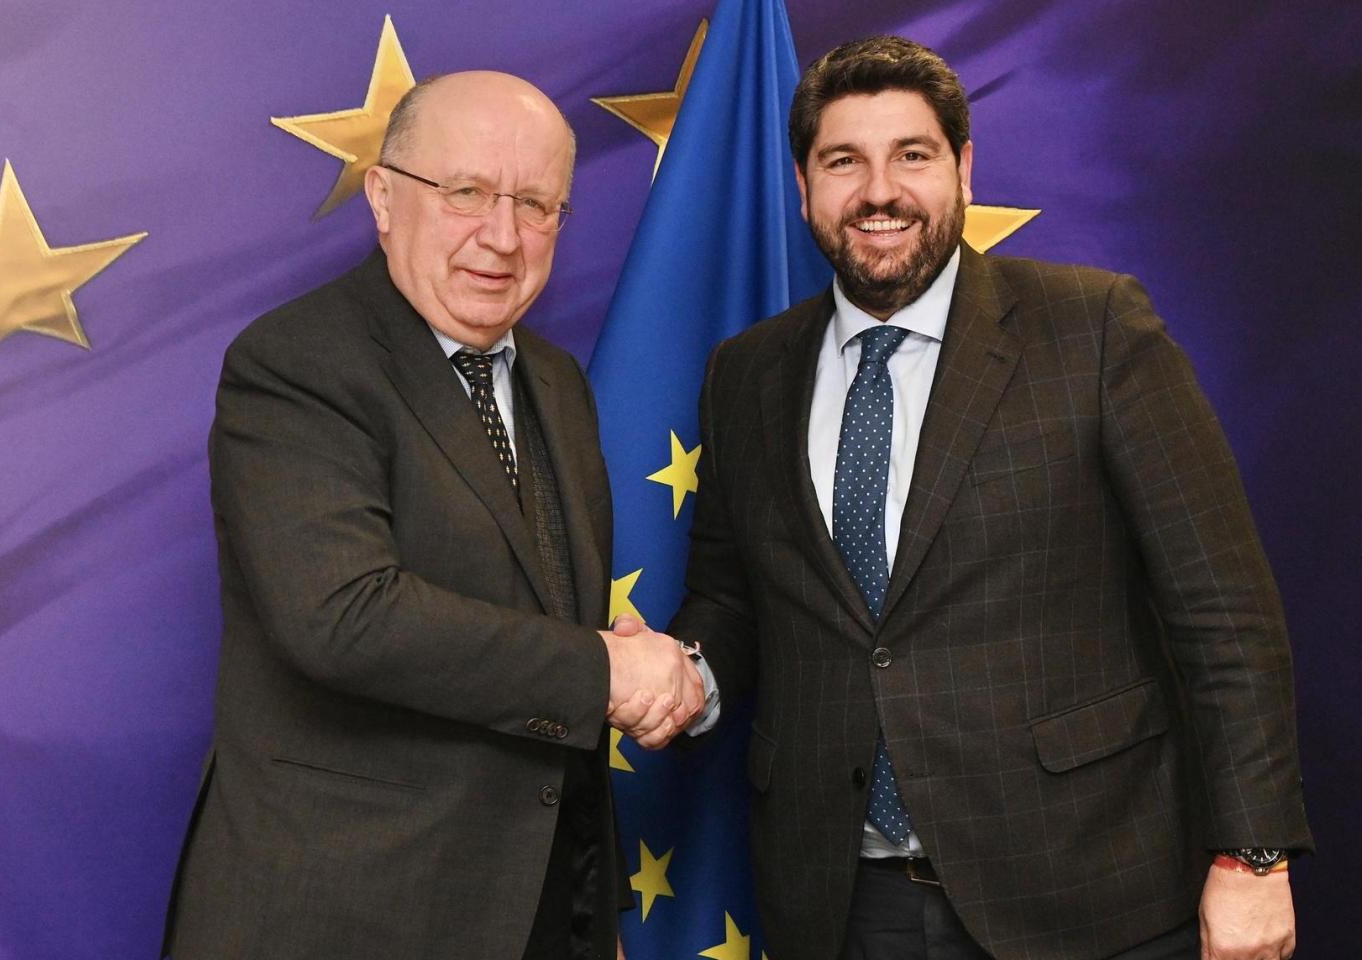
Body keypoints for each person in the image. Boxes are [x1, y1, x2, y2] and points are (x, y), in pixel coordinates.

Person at [665, 36, 1312, 960]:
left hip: (1090, 890)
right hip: (842, 904)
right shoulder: (746, 374)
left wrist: (1253, 856)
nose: (879, 191)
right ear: (803, 186)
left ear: (963, 169)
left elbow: (1224, 609)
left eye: (912, 155)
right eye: (843, 161)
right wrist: (686, 676)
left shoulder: (1093, 329)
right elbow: (731, 597)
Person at [162, 71, 703, 960]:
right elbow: (344, 617)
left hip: (534, 912)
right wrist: (604, 669)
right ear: (383, 198)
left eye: (536, 205)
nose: (503, 236)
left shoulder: (558, 383)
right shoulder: (298, 362)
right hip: (343, 917)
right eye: (467, 193)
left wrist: (587, 910)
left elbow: (543, 638)